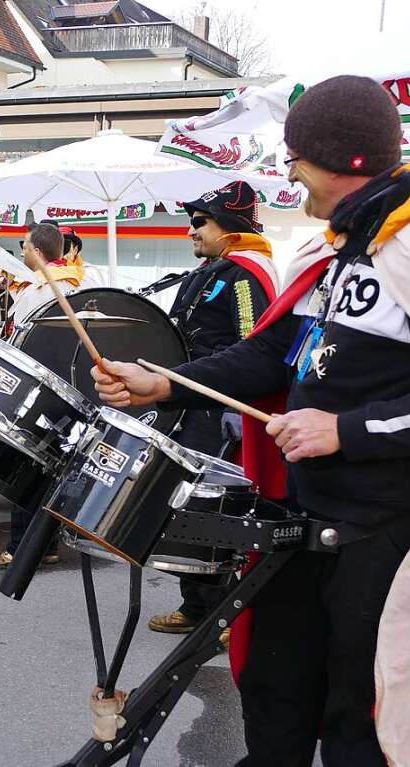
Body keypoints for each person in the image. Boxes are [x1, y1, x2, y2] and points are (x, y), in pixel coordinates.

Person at [92, 76, 410, 766]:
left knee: (361, 719)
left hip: (389, 535)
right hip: (300, 516)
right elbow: (268, 355)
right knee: (272, 689)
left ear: (335, 160)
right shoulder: (333, 248)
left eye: (294, 161)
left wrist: (345, 430)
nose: (289, 180)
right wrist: (163, 382)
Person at [146, 181, 278, 642]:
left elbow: (250, 341)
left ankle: (232, 613)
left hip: (217, 410)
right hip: (194, 406)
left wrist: (231, 410)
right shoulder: (218, 269)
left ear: (231, 225)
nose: (190, 232)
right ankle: (199, 604)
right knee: (194, 508)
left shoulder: (245, 274)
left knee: (221, 512)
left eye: (200, 222)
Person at [0, 223, 74, 567]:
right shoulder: (79, 280)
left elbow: (19, 344)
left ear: (37, 251)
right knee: (52, 470)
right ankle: (47, 545)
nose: (21, 252)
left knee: (25, 468)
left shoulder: (38, 289)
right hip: (68, 386)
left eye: (24, 246)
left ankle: (20, 548)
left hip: (35, 389)